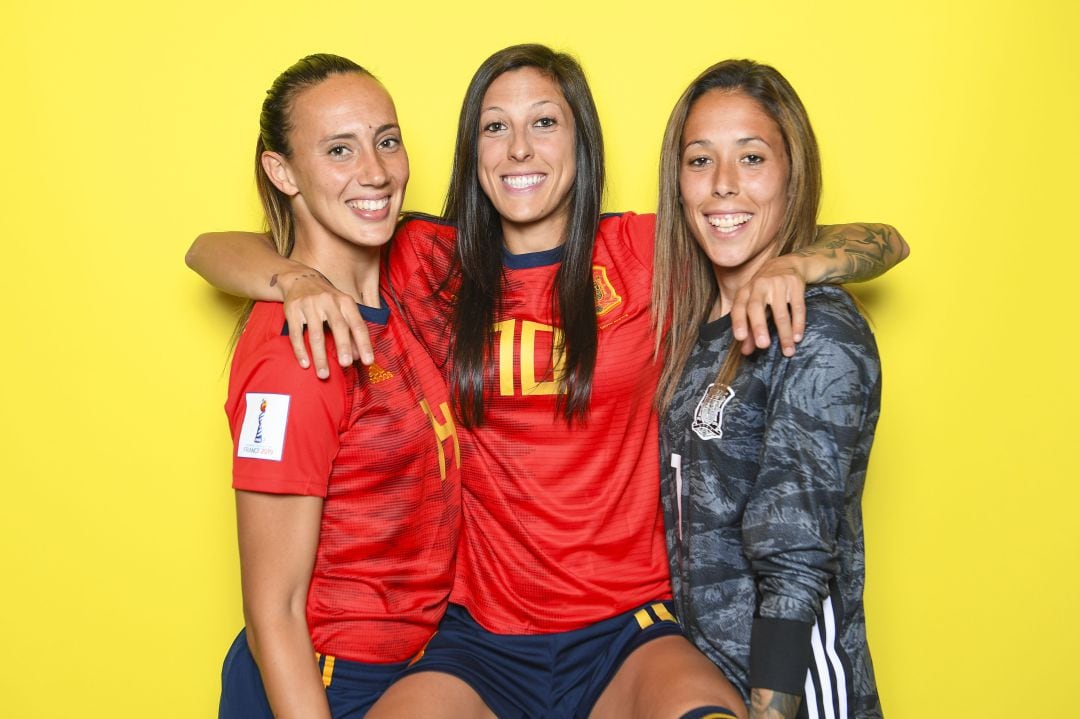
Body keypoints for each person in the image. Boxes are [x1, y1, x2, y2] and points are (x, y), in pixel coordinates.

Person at [188, 45, 905, 719]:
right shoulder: (423, 258)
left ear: (580, 141)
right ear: (474, 152)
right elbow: (208, 247)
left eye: (545, 122)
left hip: (625, 627)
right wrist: (293, 278)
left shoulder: (647, 253)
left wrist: (799, 266)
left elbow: (870, 238)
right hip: (479, 638)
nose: (521, 148)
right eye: (496, 127)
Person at [215, 53, 460, 719]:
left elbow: (209, 246)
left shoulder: (399, 287)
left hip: (412, 672)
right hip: (321, 684)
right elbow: (274, 610)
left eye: (387, 140)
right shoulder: (298, 357)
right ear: (282, 171)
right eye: (339, 150)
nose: (376, 172)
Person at [653, 59, 885, 719]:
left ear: (792, 173)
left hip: (790, 686)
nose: (724, 186)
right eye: (700, 161)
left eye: (751, 158)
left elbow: (795, 555)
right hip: (703, 683)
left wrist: (770, 708)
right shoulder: (695, 329)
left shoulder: (818, 331)